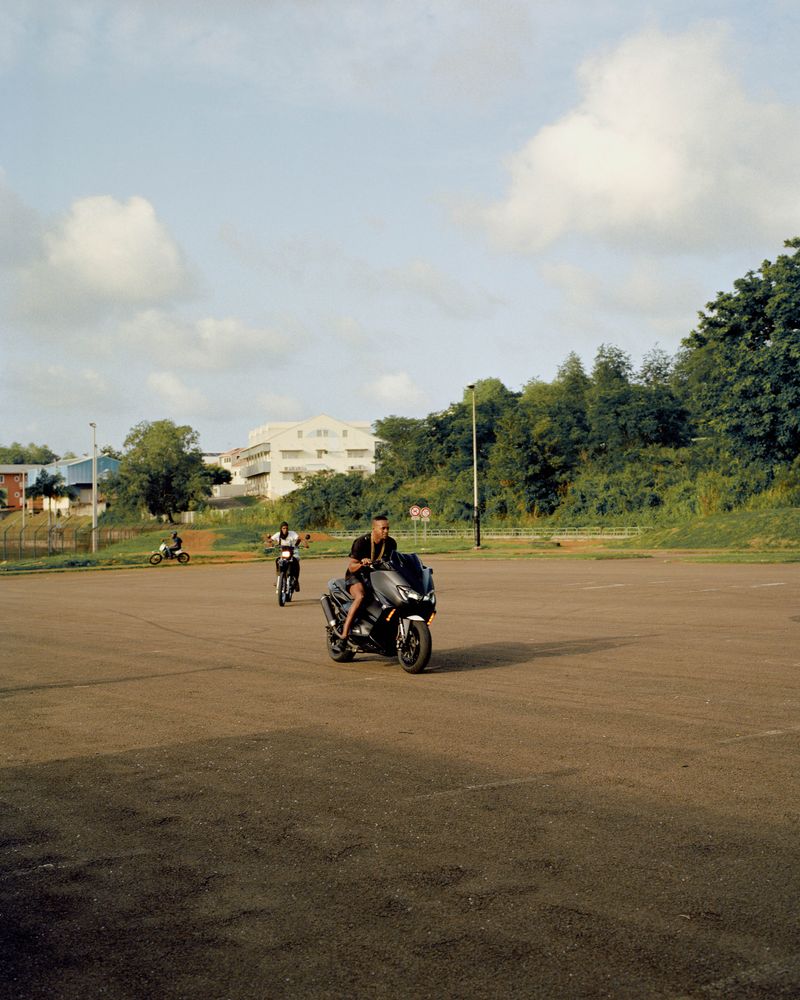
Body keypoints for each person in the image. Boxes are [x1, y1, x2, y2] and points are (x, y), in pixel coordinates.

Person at [335, 514, 397, 640]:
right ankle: (345, 632)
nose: (386, 531)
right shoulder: (361, 542)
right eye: (383, 528)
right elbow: (352, 566)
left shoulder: (391, 543)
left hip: (377, 576)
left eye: (387, 528)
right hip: (356, 576)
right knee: (361, 596)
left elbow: (394, 562)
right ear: (374, 528)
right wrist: (361, 564)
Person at [268, 521, 304, 591]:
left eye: (286, 528)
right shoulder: (278, 534)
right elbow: (270, 540)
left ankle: (296, 580)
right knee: (278, 560)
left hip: (293, 551)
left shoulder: (292, 533)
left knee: (296, 560)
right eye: (284, 528)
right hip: (283, 552)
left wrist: (304, 542)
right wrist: (270, 543)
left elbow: (299, 538)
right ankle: (279, 578)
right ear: (281, 529)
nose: (285, 530)